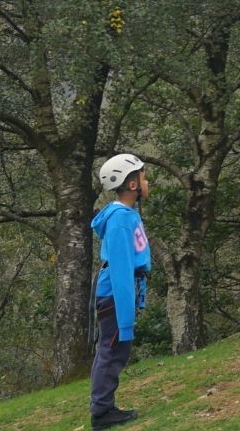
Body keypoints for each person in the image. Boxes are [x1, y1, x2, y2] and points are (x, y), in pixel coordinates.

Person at [90, 152, 152, 430]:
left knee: (114, 351)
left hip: (122, 292)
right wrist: (126, 316)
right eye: (143, 176)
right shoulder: (119, 220)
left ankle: (104, 407)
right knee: (111, 350)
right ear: (132, 185)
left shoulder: (126, 215)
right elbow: (121, 269)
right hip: (116, 294)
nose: (147, 181)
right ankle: (102, 412)